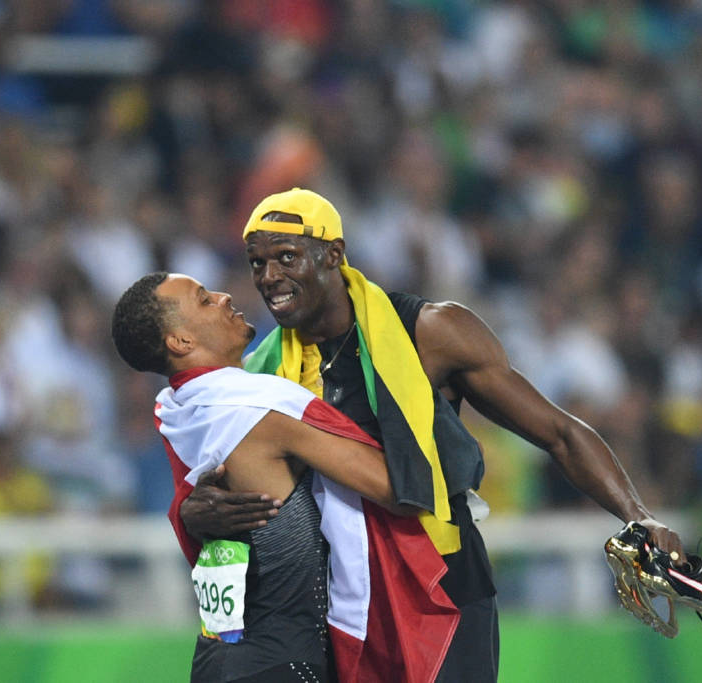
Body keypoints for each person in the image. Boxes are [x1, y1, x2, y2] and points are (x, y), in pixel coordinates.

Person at [178, 188, 686, 681]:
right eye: (257, 264)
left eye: (286, 258)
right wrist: (196, 512)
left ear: (334, 254)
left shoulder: (431, 332)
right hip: (343, 600)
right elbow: (234, 494)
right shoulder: (260, 376)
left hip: (444, 583)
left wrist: (637, 515)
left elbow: (558, 433)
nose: (269, 278)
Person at [111, 272, 459, 683]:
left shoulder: (178, 411)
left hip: (217, 657)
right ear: (181, 342)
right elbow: (401, 489)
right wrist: (427, 398)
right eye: (204, 300)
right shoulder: (264, 410)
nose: (224, 297)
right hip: (282, 663)